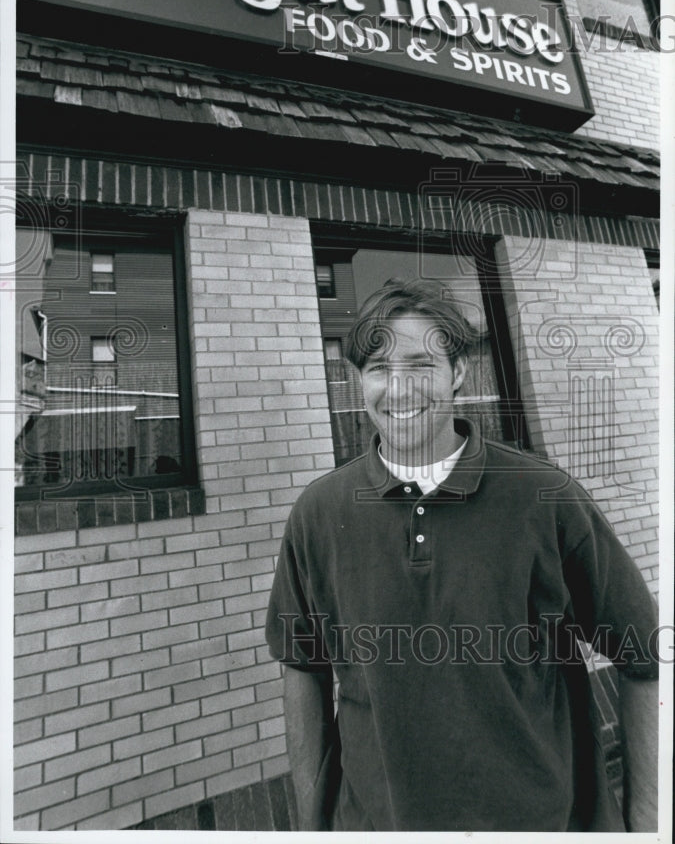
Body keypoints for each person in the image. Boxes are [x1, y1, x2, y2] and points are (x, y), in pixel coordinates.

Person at [265, 277, 658, 831]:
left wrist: (646, 822)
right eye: (378, 368)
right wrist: (313, 826)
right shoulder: (319, 513)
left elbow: (643, 654)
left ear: (458, 372)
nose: (398, 389)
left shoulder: (543, 497)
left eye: (421, 365)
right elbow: (302, 667)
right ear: (358, 381)